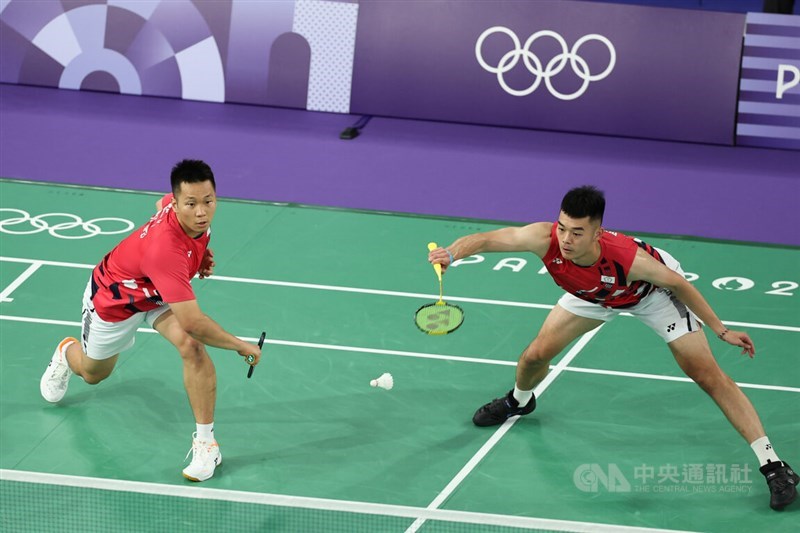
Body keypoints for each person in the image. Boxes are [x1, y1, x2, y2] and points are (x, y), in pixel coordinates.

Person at [428, 185, 797, 511]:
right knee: (535, 355)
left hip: (651, 296)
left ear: (597, 232)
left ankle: (774, 465)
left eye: (577, 232)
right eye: (562, 228)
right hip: (593, 296)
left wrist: (721, 329)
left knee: (707, 376)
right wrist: (452, 253)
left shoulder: (628, 258)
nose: (566, 239)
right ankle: (520, 401)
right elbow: (489, 239)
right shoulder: (545, 239)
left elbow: (679, 285)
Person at [39, 159, 262, 482]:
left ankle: (206, 444)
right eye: (192, 204)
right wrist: (241, 345)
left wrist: (200, 256)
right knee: (92, 373)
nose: (202, 212)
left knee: (192, 348)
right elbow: (193, 321)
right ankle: (66, 352)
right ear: (177, 203)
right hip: (115, 301)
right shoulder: (164, 249)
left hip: (157, 294)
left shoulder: (189, 216)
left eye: (208, 201)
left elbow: (165, 207)